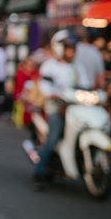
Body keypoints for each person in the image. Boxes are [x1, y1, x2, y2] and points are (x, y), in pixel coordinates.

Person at [33, 30, 90, 190]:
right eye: (68, 48)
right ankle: (38, 173)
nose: (71, 52)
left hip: (75, 109)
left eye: (73, 48)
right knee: (52, 138)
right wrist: (54, 95)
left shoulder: (78, 68)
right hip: (56, 108)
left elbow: (85, 87)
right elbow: (45, 87)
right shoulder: (50, 66)